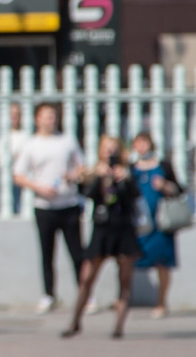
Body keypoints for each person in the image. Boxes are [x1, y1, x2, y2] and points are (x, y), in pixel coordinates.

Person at [63, 136, 142, 340]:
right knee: (87, 277)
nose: (110, 154)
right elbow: (87, 194)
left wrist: (125, 178)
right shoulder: (95, 171)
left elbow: (135, 196)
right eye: (107, 149)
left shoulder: (128, 171)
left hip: (124, 228)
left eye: (114, 149)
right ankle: (75, 322)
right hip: (102, 229)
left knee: (124, 280)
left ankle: (118, 327)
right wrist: (98, 178)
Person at [13, 103, 86, 314]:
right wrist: (39, 187)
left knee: (76, 252)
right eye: (46, 116)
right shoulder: (32, 145)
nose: (50, 120)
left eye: (53, 116)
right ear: (37, 119)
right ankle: (49, 294)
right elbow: (18, 175)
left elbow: (82, 167)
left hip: (69, 204)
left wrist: (73, 175)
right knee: (47, 252)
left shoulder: (67, 141)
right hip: (44, 206)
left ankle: (84, 294)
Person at [130, 131, 182, 319]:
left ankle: (161, 301)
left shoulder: (163, 166)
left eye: (145, 142)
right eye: (138, 143)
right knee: (130, 261)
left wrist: (165, 186)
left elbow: (179, 189)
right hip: (139, 223)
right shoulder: (131, 169)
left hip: (160, 222)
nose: (142, 147)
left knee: (162, 262)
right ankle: (125, 298)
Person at [0, 101, 27, 214]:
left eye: (16, 114)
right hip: (2, 180)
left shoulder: (25, 135)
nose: (14, 117)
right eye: (11, 114)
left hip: (18, 180)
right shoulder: (2, 137)